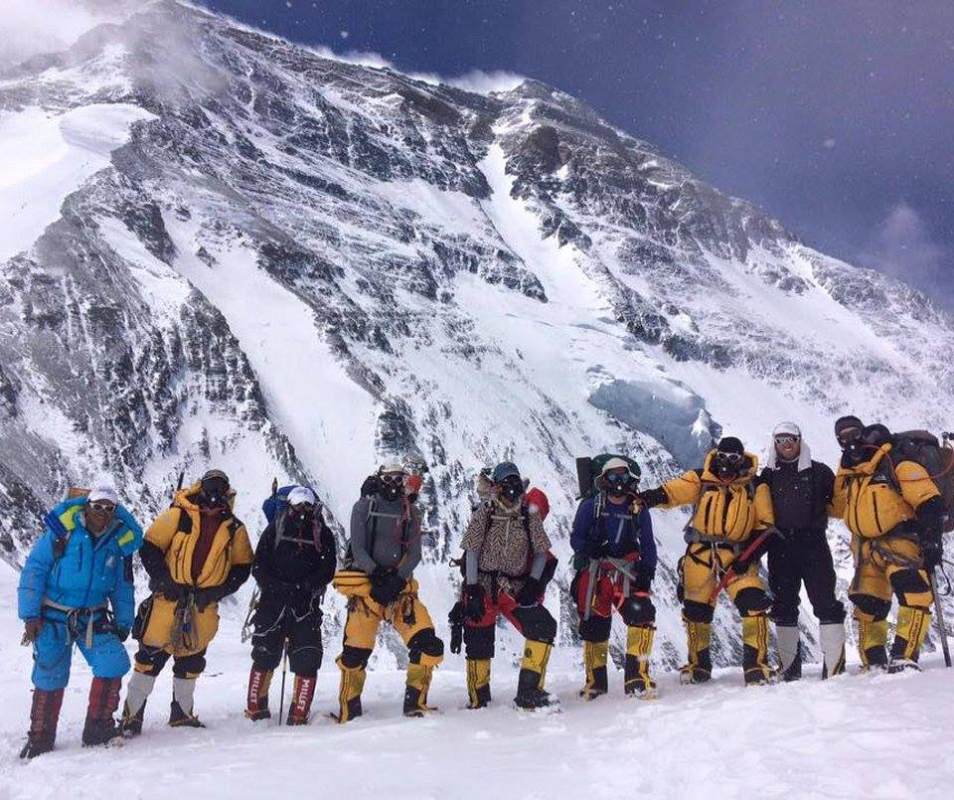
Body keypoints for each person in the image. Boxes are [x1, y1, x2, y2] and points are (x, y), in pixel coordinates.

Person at [120, 469, 254, 733]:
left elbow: (242, 566)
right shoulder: (180, 515)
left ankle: (180, 713)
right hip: (169, 599)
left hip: (202, 604)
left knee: (191, 659)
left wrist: (218, 591)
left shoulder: (234, 529)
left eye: (219, 489)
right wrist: (163, 580)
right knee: (149, 657)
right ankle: (132, 716)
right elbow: (151, 546)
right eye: (211, 488)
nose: (214, 495)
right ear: (201, 489)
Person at [17, 486, 143, 757]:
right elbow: (35, 568)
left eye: (109, 508)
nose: (103, 513)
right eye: (98, 506)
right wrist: (30, 614)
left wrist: (123, 622)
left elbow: (122, 587)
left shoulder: (117, 543)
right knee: (50, 672)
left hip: (92, 617)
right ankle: (40, 737)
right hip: (53, 615)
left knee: (114, 661)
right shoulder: (63, 532)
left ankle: (98, 727)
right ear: (87, 505)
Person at [639, 437, 776, 685]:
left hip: (738, 556)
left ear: (741, 459)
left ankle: (757, 666)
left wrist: (747, 559)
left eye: (733, 459)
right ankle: (698, 666)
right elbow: (673, 492)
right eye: (723, 457)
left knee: (753, 603)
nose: (726, 464)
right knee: (695, 611)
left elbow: (765, 528)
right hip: (700, 554)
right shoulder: (701, 479)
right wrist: (649, 498)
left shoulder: (755, 486)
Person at [830, 417, 943, 672]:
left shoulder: (895, 460)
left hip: (901, 541)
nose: (848, 440)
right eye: (842, 436)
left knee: (913, 592)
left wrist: (932, 541)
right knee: (867, 605)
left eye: (853, 433)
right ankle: (874, 663)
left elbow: (929, 501)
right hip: (866, 549)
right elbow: (839, 506)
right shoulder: (849, 471)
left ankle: (905, 656)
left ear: (864, 433)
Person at [333, 463, 444, 722]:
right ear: (380, 479)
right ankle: (350, 710)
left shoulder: (410, 512)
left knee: (427, 643)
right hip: (367, 588)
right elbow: (359, 548)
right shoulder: (363, 508)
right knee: (354, 654)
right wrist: (378, 574)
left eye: (399, 478)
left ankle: (415, 703)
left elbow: (414, 553)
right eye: (390, 478)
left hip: (399, 591)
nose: (394, 483)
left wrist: (395, 579)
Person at [459, 462, 557, 709]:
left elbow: (541, 552)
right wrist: (472, 588)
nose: (511, 489)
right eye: (506, 483)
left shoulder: (528, 514)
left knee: (542, 627)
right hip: (483, 583)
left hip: (513, 587)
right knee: (479, 641)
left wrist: (533, 583)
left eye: (514, 482)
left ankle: (529, 692)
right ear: (496, 486)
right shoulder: (486, 511)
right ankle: (479, 699)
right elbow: (471, 550)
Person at [760, 422, 846, 680]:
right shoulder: (768, 475)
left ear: (800, 440)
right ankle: (789, 668)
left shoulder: (819, 472)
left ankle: (833, 666)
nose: (785, 445)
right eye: (780, 440)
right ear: (774, 443)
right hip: (780, 545)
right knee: (783, 604)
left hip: (813, 544)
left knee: (824, 601)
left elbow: (839, 505)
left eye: (790, 439)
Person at [246, 487, 337, 725]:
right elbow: (259, 565)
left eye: (307, 506)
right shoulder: (283, 528)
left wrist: (292, 587)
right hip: (295, 603)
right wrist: (298, 588)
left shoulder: (313, 532)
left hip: (286, 602)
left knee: (298, 655)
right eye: (299, 506)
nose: (303, 511)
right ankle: (293, 712)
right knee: (273, 653)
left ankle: (260, 709)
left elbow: (328, 569)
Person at [570, 457, 657, 699]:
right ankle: (595, 683)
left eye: (623, 477)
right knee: (594, 626)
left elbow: (648, 543)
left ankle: (637, 679)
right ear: (604, 480)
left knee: (643, 614)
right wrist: (591, 549)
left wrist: (647, 571)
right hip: (597, 573)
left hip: (626, 574)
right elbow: (576, 539)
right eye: (614, 477)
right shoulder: (591, 506)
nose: (619, 482)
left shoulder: (638, 509)